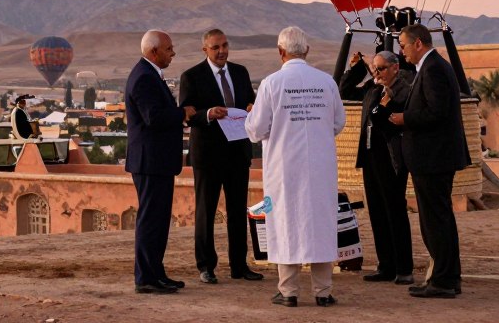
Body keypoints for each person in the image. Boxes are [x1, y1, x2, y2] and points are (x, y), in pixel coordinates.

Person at [246, 26, 346, 308]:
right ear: (307, 51)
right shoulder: (326, 82)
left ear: (280, 52)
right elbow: (339, 123)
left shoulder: (271, 83)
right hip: (320, 165)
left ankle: (288, 291)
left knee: (286, 222)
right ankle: (323, 291)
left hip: (284, 168)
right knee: (320, 222)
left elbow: (256, 129)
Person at [389, 23, 468, 299]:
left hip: (433, 159)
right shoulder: (431, 67)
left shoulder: (433, 68)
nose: (402, 51)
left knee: (436, 221)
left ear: (418, 44)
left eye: (403, 45)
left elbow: (436, 112)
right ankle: (446, 277)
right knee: (439, 219)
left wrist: (404, 118)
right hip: (432, 158)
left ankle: (443, 281)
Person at [177, 28, 263, 283]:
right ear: (205, 50)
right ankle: (206, 266)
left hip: (238, 152)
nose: (222, 51)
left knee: (237, 211)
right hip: (208, 155)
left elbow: (251, 101)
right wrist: (207, 114)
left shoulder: (240, 72)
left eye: (225, 45)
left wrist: (251, 107)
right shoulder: (191, 76)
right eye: (216, 47)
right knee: (206, 211)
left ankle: (239, 266)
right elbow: (188, 113)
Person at [125, 30, 197, 294]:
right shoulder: (143, 77)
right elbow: (152, 117)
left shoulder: (149, 74)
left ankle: (156, 273)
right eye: (169, 49)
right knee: (150, 219)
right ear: (154, 52)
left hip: (157, 162)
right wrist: (182, 113)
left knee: (158, 219)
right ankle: (145, 278)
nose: (173, 53)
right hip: (149, 162)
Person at [355, 51, 414, 285]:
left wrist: (385, 103)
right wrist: (357, 68)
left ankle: (403, 268)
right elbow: (345, 90)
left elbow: (382, 119)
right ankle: (385, 265)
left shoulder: (403, 90)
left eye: (381, 68)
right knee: (377, 212)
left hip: (391, 159)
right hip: (370, 156)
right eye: (374, 68)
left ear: (395, 68)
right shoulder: (373, 88)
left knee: (395, 211)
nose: (377, 73)